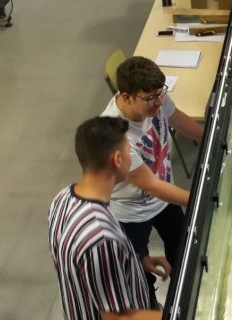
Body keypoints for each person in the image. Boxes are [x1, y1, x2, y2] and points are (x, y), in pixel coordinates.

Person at [100, 56, 203, 307]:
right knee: (138, 270)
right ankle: (148, 305)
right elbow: (149, 184)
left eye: (161, 93)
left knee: (183, 249)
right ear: (126, 96)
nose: (159, 102)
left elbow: (178, 118)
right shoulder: (116, 134)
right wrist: (203, 198)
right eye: (150, 98)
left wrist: (214, 137)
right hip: (131, 212)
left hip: (164, 200)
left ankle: (184, 299)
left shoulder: (156, 97)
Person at [48, 116, 171, 320]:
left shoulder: (62, 199)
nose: (132, 158)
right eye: (128, 151)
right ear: (117, 160)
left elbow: (86, 268)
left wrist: (136, 261)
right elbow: (119, 318)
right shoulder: (101, 237)